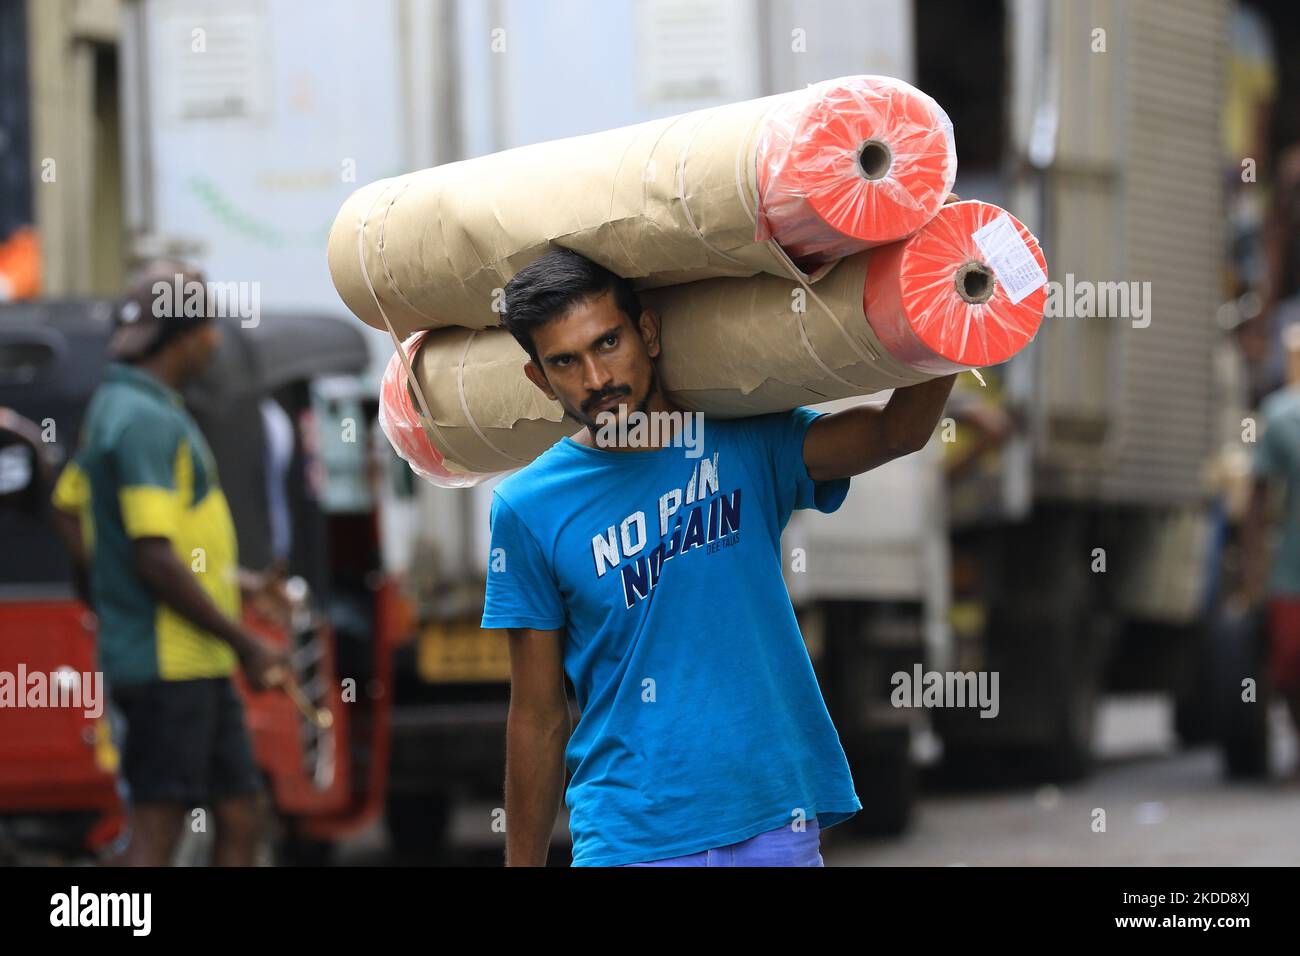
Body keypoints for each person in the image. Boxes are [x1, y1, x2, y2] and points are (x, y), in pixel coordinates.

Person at [483, 248, 956, 866]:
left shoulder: (742, 438)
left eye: (608, 344)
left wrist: (951, 308)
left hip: (772, 816)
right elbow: (538, 715)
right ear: (539, 379)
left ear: (647, 333)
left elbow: (897, 432)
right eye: (565, 362)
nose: (596, 379)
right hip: (630, 837)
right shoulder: (526, 508)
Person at [50, 261, 290, 865]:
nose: (214, 340)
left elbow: (74, 511)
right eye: (208, 327)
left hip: (189, 663)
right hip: (168, 669)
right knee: (159, 832)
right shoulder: (144, 421)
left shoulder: (124, 406)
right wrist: (247, 643)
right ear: (184, 338)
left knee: (241, 811)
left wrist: (238, 583)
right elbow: (153, 558)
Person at [1239, 321, 1300, 775]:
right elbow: (1259, 496)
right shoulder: (1282, 418)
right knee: (1289, 661)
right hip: (1292, 569)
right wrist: (1252, 568)